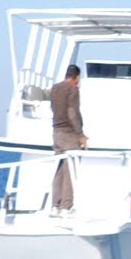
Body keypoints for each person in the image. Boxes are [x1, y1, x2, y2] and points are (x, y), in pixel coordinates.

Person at [49, 64, 87, 217]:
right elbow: (72, 112)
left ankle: (54, 205)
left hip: (56, 131)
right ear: (76, 77)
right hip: (69, 133)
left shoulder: (55, 88)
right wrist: (80, 134)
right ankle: (66, 207)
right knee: (70, 170)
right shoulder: (72, 89)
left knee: (59, 170)